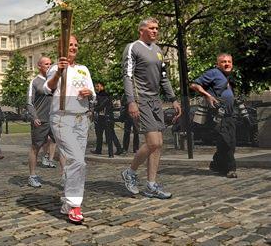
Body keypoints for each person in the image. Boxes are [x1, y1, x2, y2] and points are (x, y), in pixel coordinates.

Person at [120, 17, 181, 199]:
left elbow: (164, 78)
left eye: (157, 28)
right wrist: (131, 101)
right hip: (141, 99)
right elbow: (127, 75)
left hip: (156, 100)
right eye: (152, 28)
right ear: (142, 30)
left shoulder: (158, 50)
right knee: (153, 142)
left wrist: (173, 99)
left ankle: (151, 185)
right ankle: (130, 172)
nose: (155, 31)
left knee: (159, 144)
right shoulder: (133, 47)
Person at [44, 35, 95, 223]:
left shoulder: (84, 69)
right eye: (69, 44)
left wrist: (90, 93)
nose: (73, 47)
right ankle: (75, 204)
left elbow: (92, 92)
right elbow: (48, 88)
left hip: (82, 119)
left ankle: (67, 202)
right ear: (61, 49)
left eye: (76, 45)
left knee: (75, 162)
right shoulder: (55, 68)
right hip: (62, 118)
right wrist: (59, 72)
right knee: (78, 161)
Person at [190, 53, 238, 178]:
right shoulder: (213, 73)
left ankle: (216, 165)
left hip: (230, 116)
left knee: (227, 142)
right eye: (223, 62)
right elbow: (194, 85)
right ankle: (231, 169)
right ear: (218, 64)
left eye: (229, 61)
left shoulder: (228, 77)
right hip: (219, 116)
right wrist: (208, 95)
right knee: (228, 143)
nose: (227, 64)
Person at [27, 56, 56, 188]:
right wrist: (34, 117)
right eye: (46, 64)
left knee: (62, 145)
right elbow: (29, 102)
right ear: (39, 66)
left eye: (50, 64)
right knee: (35, 148)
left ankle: (66, 176)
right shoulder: (34, 82)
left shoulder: (55, 81)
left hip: (55, 119)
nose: (49, 66)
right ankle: (32, 176)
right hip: (41, 120)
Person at [94, 82, 124, 157]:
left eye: (98, 86)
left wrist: (95, 109)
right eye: (96, 86)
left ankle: (113, 152)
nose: (96, 88)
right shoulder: (98, 95)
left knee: (110, 135)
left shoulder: (105, 95)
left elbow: (101, 106)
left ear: (102, 87)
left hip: (107, 117)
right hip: (101, 117)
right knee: (100, 134)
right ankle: (98, 150)